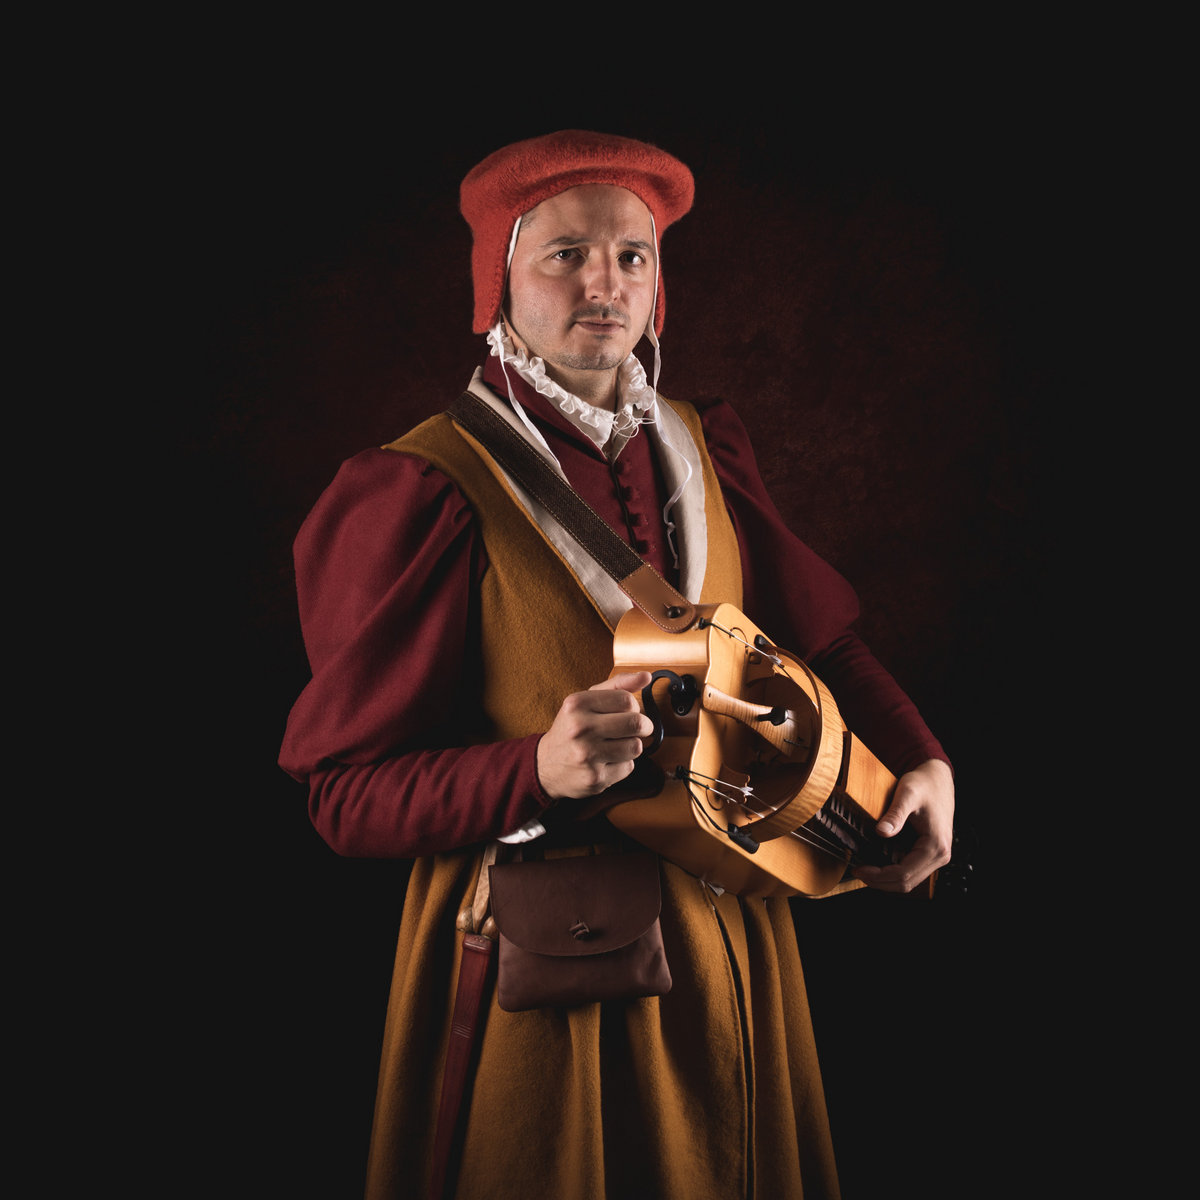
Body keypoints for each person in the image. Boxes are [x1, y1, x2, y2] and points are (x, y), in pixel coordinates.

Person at [279, 129, 954, 1200]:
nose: (607, 285)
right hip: (547, 974)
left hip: (737, 949)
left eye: (632, 255)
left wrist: (923, 760)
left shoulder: (702, 442)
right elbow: (343, 796)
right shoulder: (421, 487)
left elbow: (819, 641)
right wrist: (533, 771)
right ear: (497, 280)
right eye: (567, 254)